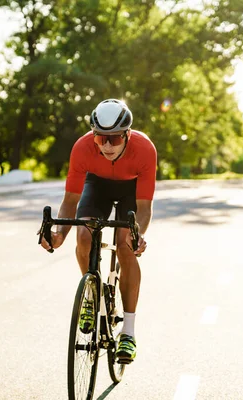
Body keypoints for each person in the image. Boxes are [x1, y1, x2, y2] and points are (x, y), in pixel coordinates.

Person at [40, 98, 157, 363]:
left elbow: (144, 207)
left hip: (131, 189)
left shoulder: (144, 149)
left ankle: (128, 332)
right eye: (100, 138)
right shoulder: (83, 148)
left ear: (127, 134)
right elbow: (70, 201)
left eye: (114, 139)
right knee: (84, 234)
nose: (106, 145)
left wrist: (138, 235)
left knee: (125, 244)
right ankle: (92, 296)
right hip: (98, 186)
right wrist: (58, 234)